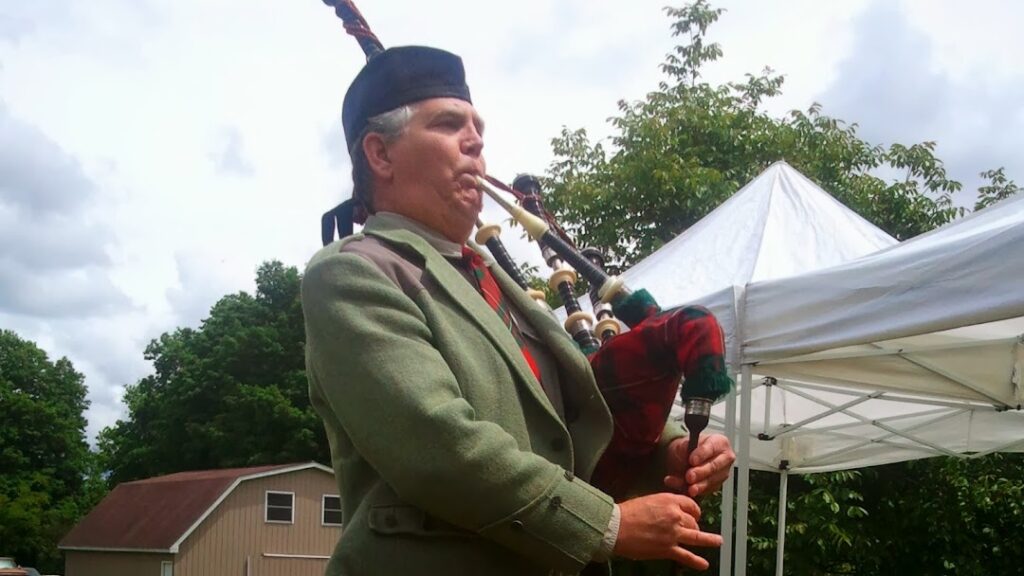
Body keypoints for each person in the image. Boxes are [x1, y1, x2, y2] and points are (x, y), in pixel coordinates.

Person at [302, 45, 736, 576]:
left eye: (478, 130)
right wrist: (608, 526)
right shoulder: (354, 273)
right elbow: (438, 448)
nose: (476, 142)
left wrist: (665, 452)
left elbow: (570, 420)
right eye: (448, 124)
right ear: (380, 154)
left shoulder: (494, 281)